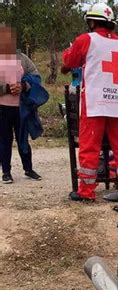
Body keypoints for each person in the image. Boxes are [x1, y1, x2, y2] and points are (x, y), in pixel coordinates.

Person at [61, 3, 118, 202]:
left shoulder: (86, 39)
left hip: (96, 103)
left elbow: (69, 62)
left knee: (89, 147)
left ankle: (86, 192)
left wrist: (69, 52)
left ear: (91, 22)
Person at [0, 24, 46, 184]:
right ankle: (6, 172)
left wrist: (24, 86)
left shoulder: (22, 59)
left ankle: (29, 169)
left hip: (21, 108)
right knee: (4, 141)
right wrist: (6, 88)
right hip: (2, 109)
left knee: (23, 140)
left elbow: (36, 76)